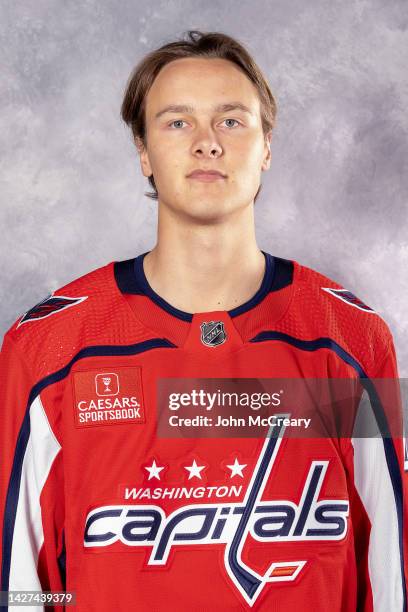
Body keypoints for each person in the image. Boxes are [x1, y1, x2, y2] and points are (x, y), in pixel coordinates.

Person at [0, 30, 406, 612]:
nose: (207, 144)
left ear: (267, 146)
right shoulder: (46, 349)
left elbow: (391, 571)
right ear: (142, 151)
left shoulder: (352, 339)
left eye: (232, 121)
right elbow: (18, 584)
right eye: (177, 122)